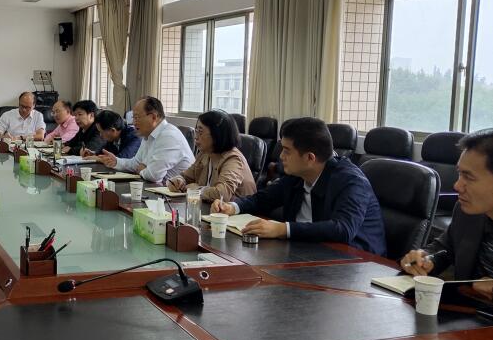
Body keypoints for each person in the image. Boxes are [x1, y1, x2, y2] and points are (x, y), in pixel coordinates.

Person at [211, 117, 386, 255]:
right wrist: (232, 207)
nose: (281, 156)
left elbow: (343, 229)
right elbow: (263, 199)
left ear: (310, 158)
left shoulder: (351, 181)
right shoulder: (297, 175)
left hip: (356, 262)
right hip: (307, 252)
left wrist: (282, 229)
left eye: (287, 151)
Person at [400, 129, 493, 299]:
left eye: (469, 177)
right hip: (467, 311)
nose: (457, 186)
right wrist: (424, 259)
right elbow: (444, 249)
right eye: (459, 174)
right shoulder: (467, 213)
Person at [98, 97, 194, 183]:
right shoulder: (148, 134)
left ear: (153, 117)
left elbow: (153, 175)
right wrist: (116, 161)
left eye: (137, 117)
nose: (134, 122)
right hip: (159, 189)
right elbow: (136, 163)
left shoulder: (169, 136)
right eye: (133, 118)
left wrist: (141, 170)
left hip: (179, 194)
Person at [167, 110, 256, 202]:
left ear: (217, 135)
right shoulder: (205, 154)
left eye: (200, 132)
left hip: (237, 210)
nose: (196, 137)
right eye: (196, 131)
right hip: (209, 208)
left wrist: (198, 190)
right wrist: (178, 181)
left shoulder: (233, 159)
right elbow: (186, 176)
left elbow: (222, 194)